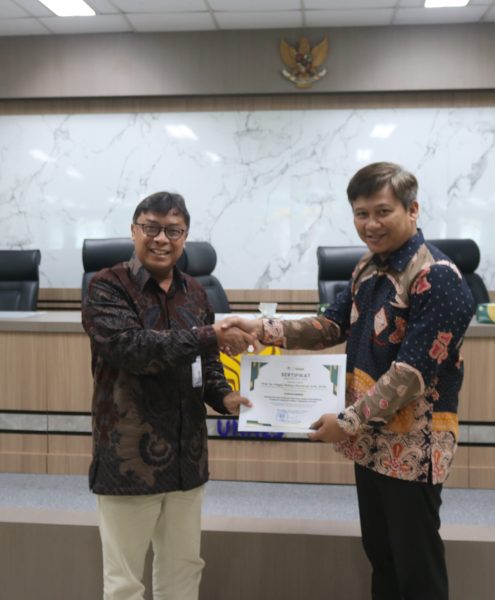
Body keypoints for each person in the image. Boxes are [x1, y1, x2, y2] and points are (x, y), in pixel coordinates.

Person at [224, 162, 476, 600]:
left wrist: (348, 421)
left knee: (417, 569)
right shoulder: (369, 267)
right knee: (382, 558)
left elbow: (410, 375)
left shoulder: (436, 277)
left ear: (413, 210)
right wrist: (261, 328)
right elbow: (330, 325)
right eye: (361, 214)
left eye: (382, 212)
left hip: (413, 447)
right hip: (371, 441)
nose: (370, 224)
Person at [82, 191, 254, 600]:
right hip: (128, 460)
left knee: (183, 571)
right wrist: (208, 335)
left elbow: (206, 363)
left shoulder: (196, 292)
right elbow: (134, 349)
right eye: (152, 228)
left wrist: (225, 398)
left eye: (173, 231)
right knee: (124, 582)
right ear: (134, 231)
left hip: (186, 459)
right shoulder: (106, 286)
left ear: (185, 236)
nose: (162, 239)